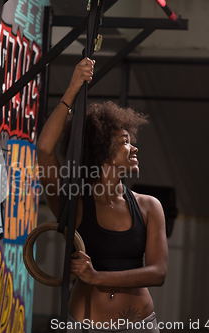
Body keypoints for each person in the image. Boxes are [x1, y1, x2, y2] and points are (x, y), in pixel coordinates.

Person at [37, 58, 168, 332]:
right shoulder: (73, 203)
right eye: (125, 142)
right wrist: (73, 88)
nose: (134, 149)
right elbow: (45, 151)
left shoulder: (149, 206)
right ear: (101, 149)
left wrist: (96, 277)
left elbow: (158, 274)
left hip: (140, 324)